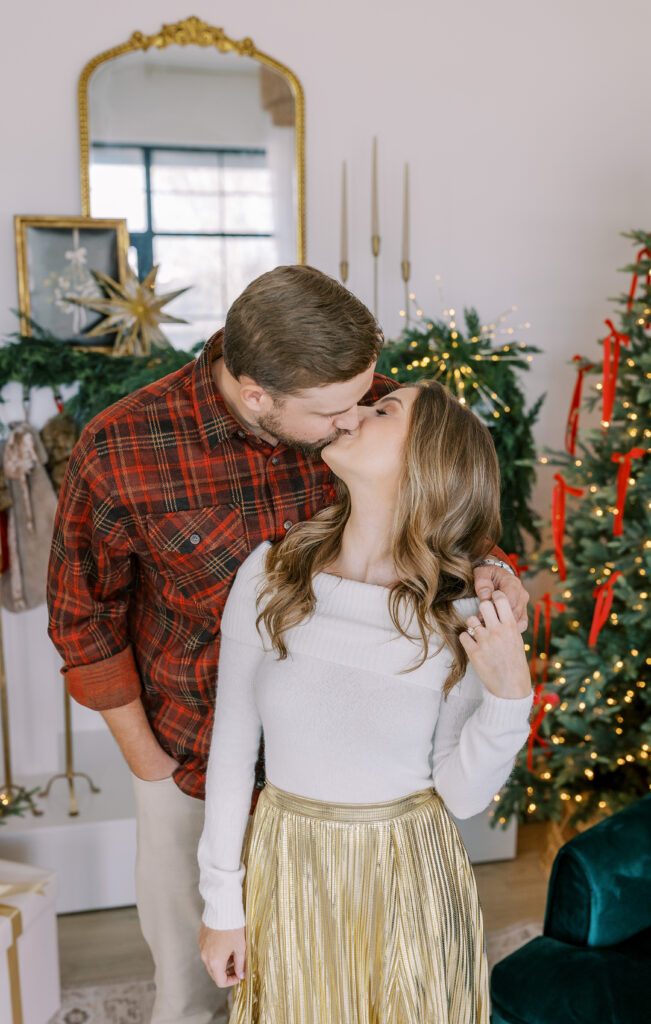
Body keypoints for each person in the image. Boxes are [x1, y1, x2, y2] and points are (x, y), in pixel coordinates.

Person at [47, 266, 529, 1024]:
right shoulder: (121, 447)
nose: (352, 418)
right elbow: (82, 617)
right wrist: (152, 765)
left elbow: (440, 497)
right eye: (337, 411)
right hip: (192, 754)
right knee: (196, 984)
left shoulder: (349, 399)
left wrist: (495, 588)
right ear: (256, 395)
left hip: (368, 787)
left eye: (368, 401)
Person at [197, 379, 534, 1023]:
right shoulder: (269, 575)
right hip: (289, 865)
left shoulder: (462, 609)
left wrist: (509, 697)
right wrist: (221, 906)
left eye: (384, 410)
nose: (354, 413)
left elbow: (461, 795)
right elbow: (233, 750)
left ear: (427, 458)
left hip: (409, 874)